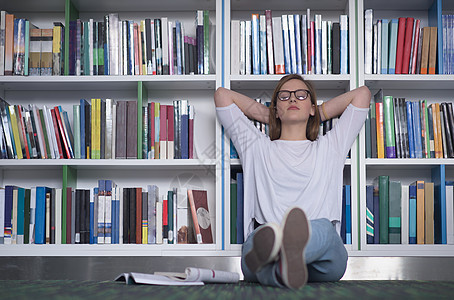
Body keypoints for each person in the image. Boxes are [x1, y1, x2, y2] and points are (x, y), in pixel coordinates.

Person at [214, 74, 371, 289]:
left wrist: (316, 114)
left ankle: (284, 257)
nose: (293, 100)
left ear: (312, 106)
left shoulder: (330, 146)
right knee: (258, 240)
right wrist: (275, 114)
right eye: (284, 96)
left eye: (301, 95)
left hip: (322, 259)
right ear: (275, 108)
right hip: (266, 244)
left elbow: (362, 95)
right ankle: (283, 264)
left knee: (323, 228)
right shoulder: (256, 146)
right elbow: (222, 96)